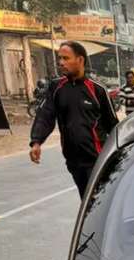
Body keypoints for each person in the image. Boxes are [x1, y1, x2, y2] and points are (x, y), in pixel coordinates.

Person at [29, 41, 118, 198]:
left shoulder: (98, 90)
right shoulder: (56, 88)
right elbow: (45, 115)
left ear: (80, 60)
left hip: (96, 160)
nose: (61, 63)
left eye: (66, 58)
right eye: (59, 58)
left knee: (97, 202)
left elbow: (113, 126)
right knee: (86, 200)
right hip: (73, 161)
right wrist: (36, 141)